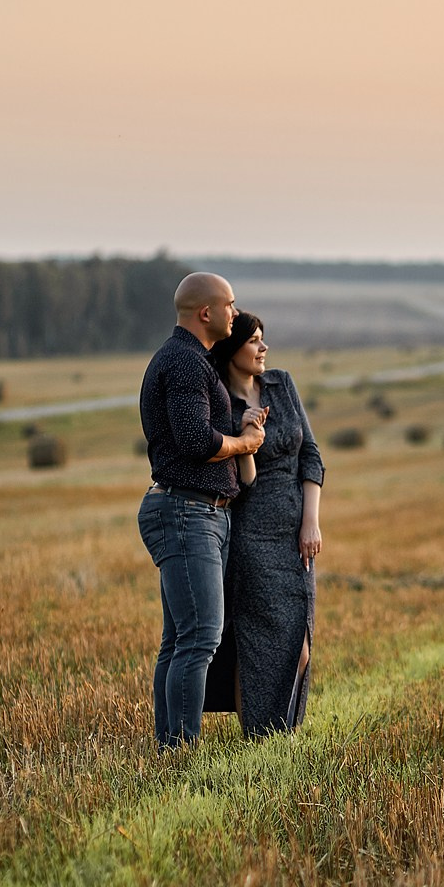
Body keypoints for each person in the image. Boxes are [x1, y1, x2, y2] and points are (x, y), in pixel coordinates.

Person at [136, 273, 267, 750]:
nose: (235, 313)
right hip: (188, 512)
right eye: (230, 305)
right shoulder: (187, 364)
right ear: (205, 313)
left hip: (193, 511)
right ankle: (181, 749)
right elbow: (195, 440)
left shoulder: (188, 361)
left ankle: (171, 747)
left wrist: (241, 425)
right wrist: (246, 441)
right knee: (200, 639)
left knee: (180, 640)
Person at [202, 312, 324, 736]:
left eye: (263, 338)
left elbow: (311, 453)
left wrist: (311, 521)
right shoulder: (223, 406)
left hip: (296, 537)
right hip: (253, 536)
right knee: (254, 646)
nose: (263, 348)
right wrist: (246, 437)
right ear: (233, 350)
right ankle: (259, 740)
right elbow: (245, 482)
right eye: (254, 341)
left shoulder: (282, 385)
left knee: (299, 645)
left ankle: (280, 733)